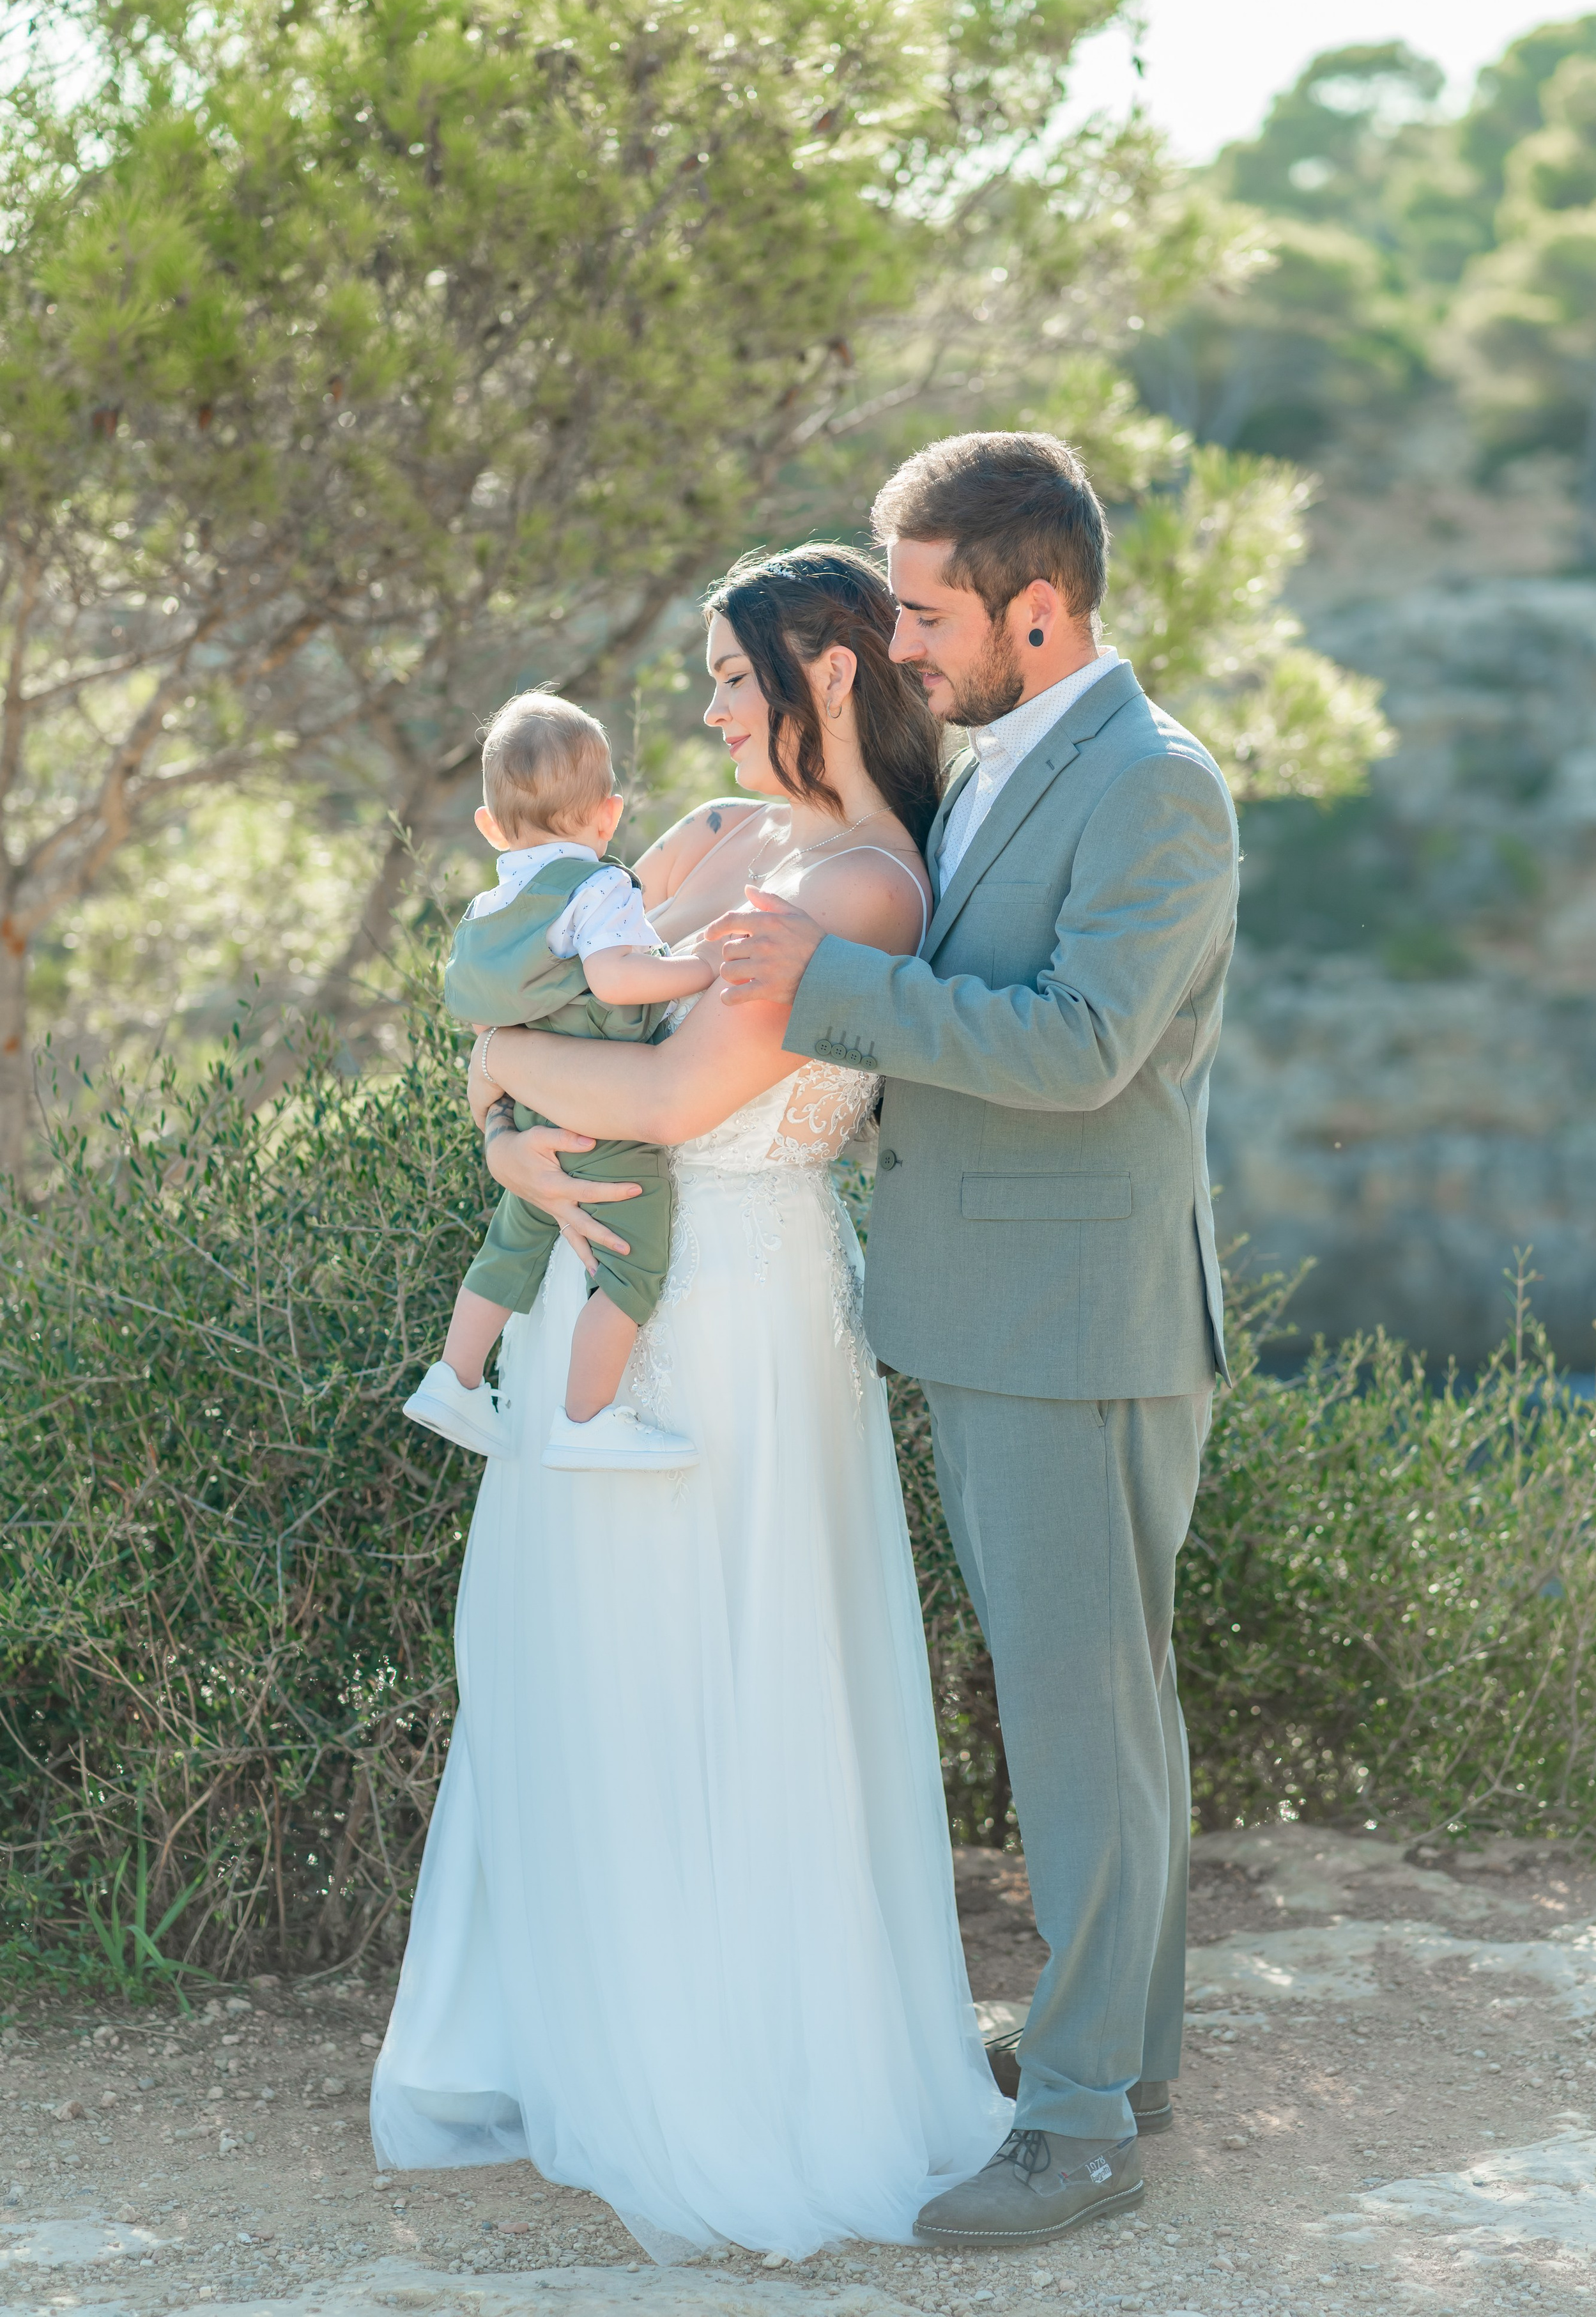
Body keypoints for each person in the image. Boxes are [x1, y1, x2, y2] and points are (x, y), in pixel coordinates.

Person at [371, 544, 1009, 2259]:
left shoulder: (867, 884)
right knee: (562, 1651)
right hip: (607, 1276)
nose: (707, 705)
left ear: (819, 673)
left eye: (733, 675)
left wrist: (509, 1078)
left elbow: (662, 1092)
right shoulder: (723, 842)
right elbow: (560, 986)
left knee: (716, 1664)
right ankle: (591, 2031)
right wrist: (510, 1122)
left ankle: (731, 2065)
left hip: (733, 1315)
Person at [705, 433, 1239, 2245]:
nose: (906, 642)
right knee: (1108, 1710)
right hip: (1007, 1303)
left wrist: (822, 989)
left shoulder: (1155, 784)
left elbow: (1084, 1045)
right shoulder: (1020, 759)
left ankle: (1083, 2124)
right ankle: (1125, 2055)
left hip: (1077, 1321)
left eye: (927, 612)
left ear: (1041, 602)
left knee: (1080, 1723)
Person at [402, 691, 714, 1473]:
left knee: (511, 1244)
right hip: (601, 1116)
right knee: (631, 1266)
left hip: (533, 1117)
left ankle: (456, 1377)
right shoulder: (598, 887)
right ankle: (588, 1415)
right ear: (608, 816)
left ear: (489, 826)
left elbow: (486, 1020)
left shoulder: (489, 907)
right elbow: (613, 981)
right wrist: (698, 970)